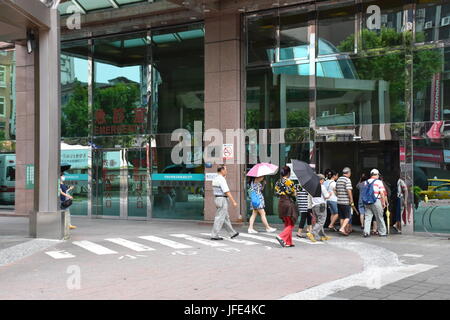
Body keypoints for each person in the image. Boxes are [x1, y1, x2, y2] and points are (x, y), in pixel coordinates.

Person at [210, 165, 239, 240]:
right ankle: (214, 235)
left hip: (217, 199)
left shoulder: (215, 178)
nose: (226, 171)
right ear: (222, 170)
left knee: (225, 218)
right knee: (219, 218)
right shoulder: (221, 179)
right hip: (222, 199)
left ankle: (232, 233)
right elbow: (227, 192)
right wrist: (233, 201)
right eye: (225, 170)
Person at [274, 166, 298, 247]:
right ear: (288, 173)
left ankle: (289, 242)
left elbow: (276, 193)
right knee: (291, 224)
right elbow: (293, 194)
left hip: (281, 203)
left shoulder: (278, 182)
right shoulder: (289, 182)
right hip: (288, 203)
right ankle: (281, 236)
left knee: (287, 223)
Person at [362, 169, 388, 238]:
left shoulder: (365, 182)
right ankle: (382, 233)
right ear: (376, 174)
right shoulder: (378, 182)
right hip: (376, 201)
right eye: (378, 175)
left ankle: (366, 232)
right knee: (379, 217)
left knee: (367, 217)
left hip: (367, 202)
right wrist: (383, 202)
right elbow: (382, 193)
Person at [306, 174, 331, 242]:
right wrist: (330, 194)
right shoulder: (322, 187)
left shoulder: (312, 187)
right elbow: (326, 196)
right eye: (323, 180)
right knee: (321, 221)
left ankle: (322, 236)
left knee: (318, 221)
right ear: (320, 180)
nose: (323, 181)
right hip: (321, 205)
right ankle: (312, 233)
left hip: (314, 206)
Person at [336, 167, 354, 236]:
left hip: (339, 201)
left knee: (342, 217)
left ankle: (343, 230)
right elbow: (349, 190)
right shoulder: (347, 180)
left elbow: (336, 190)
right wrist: (351, 199)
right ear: (348, 173)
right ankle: (342, 228)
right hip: (346, 201)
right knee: (348, 216)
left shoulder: (338, 180)